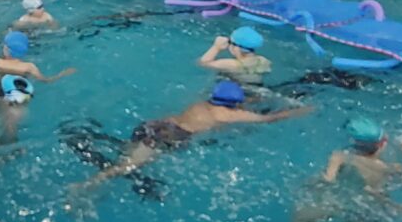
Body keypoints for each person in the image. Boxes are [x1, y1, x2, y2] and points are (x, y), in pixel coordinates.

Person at [73, 81, 311, 191]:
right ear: (234, 104)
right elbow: (267, 119)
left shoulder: (202, 104)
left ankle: (101, 153)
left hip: (156, 125)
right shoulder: (226, 116)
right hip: (171, 136)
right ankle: (85, 185)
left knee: (131, 153)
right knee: (127, 167)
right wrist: (297, 111)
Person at [296, 117, 400, 222]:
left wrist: (310, 183)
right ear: (383, 143)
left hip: (344, 202)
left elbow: (328, 180)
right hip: (371, 210)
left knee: (299, 220)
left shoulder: (340, 157)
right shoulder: (390, 168)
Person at [0, 31, 76, 82]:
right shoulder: (29, 67)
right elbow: (47, 80)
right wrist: (62, 74)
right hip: (17, 89)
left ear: (6, 50)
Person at [198, 26, 271, 85]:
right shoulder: (263, 61)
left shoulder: (231, 64)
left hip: (240, 93)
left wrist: (216, 47)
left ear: (236, 48)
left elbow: (203, 63)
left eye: (230, 42)